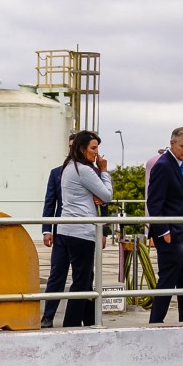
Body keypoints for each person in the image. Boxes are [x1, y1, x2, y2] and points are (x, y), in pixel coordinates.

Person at [59, 131, 112, 328]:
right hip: (81, 231)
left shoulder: (68, 167)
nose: (97, 153)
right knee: (81, 282)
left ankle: (91, 320)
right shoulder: (84, 170)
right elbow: (106, 196)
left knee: (86, 279)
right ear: (82, 149)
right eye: (93, 148)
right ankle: (70, 325)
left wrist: (93, 193)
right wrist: (104, 171)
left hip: (68, 229)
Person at [146, 126, 183, 324]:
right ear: (172, 143)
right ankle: (156, 322)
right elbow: (154, 201)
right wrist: (163, 230)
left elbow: (181, 200)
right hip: (169, 233)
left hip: (181, 232)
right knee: (167, 279)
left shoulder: (181, 165)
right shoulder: (163, 165)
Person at [40, 133, 76, 328]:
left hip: (83, 232)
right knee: (57, 275)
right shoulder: (56, 173)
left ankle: (79, 317)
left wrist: (102, 231)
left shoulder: (93, 172)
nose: (72, 149)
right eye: (70, 146)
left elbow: (100, 203)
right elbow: (50, 202)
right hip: (61, 232)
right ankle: (48, 316)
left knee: (85, 277)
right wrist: (47, 229)